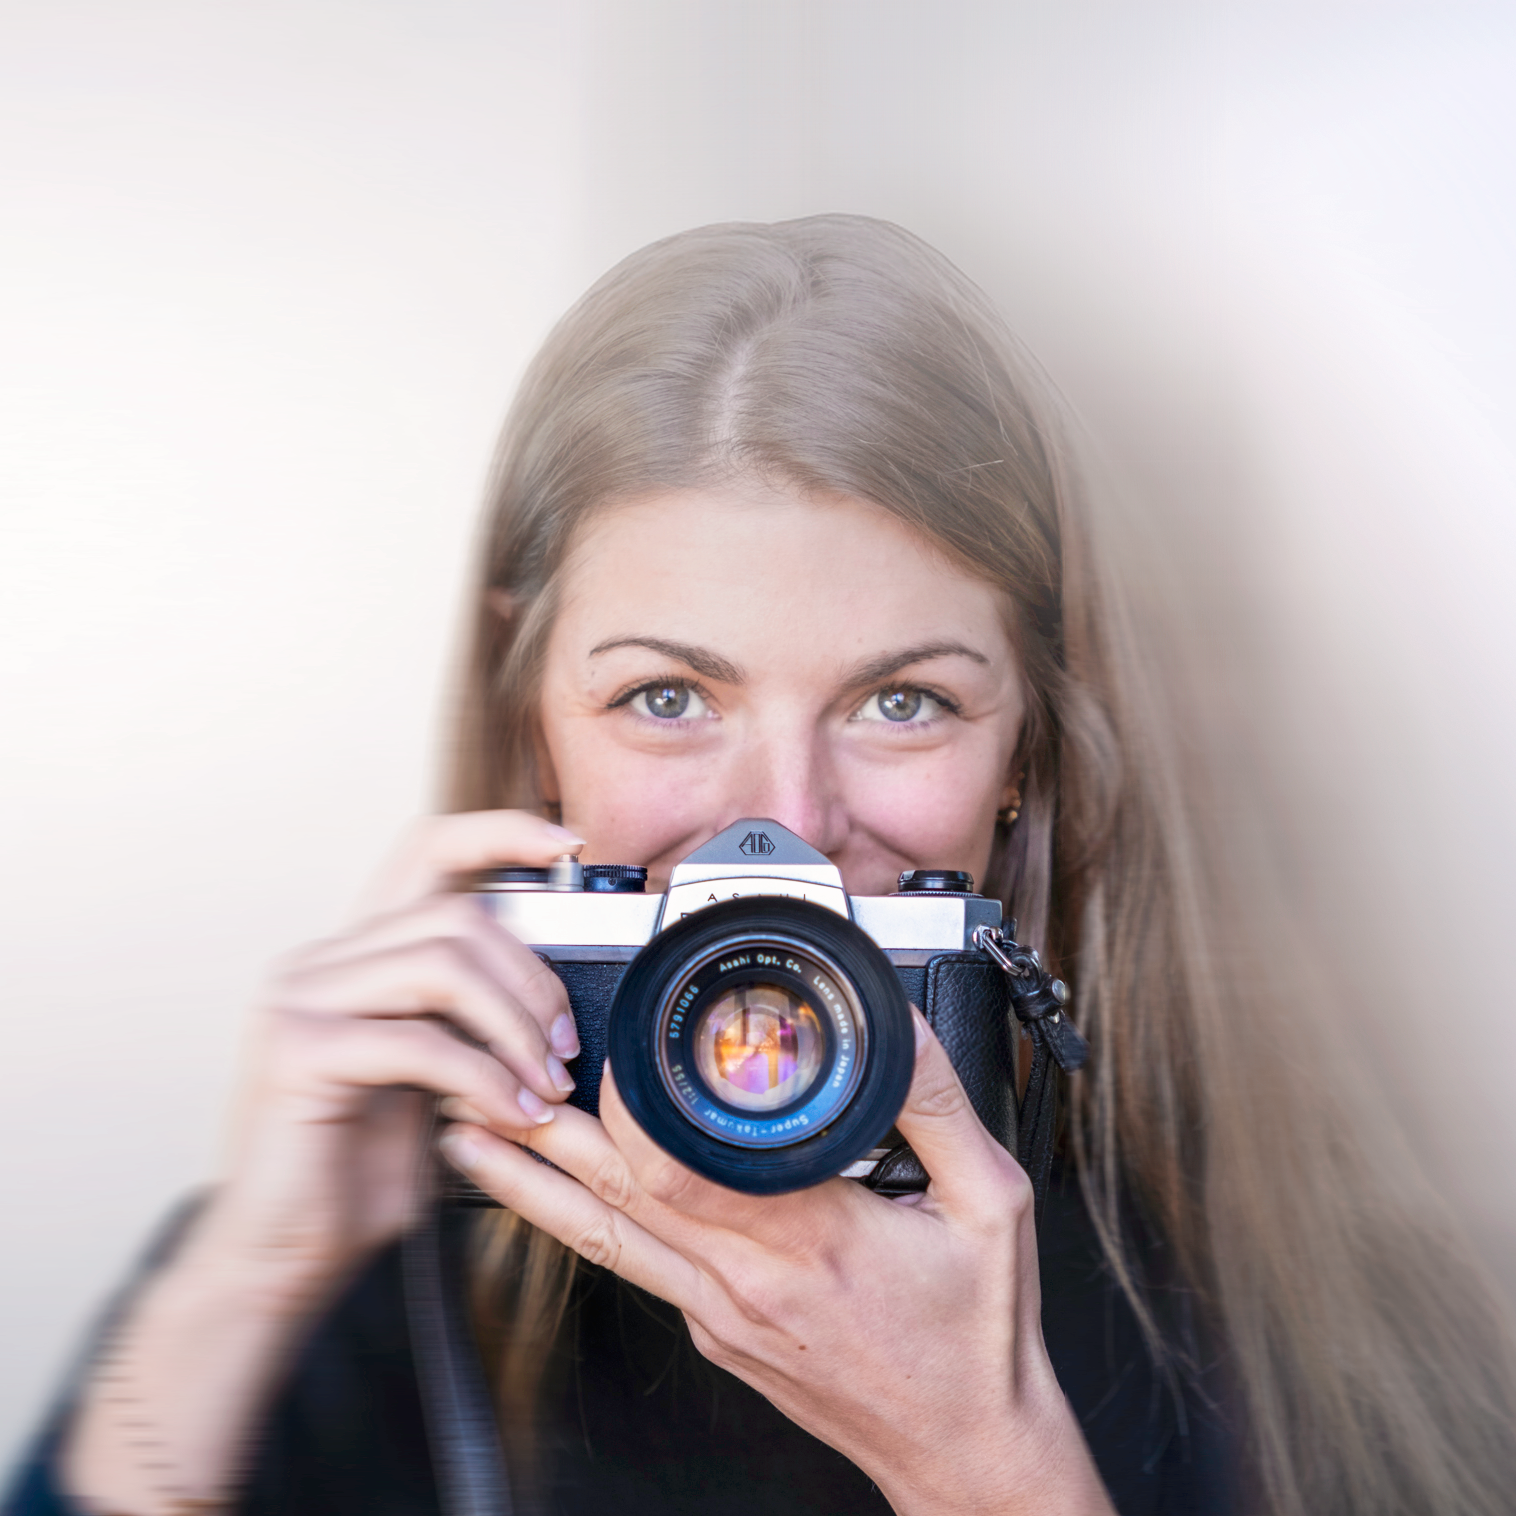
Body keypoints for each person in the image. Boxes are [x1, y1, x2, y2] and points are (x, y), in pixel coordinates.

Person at [8, 216, 1515, 1516]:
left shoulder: (1318, 1309)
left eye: (901, 702)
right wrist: (252, 1273)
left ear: (1027, 748)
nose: (782, 824)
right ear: (534, 718)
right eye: (667, 696)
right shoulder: (396, 1250)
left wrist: (980, 1459)